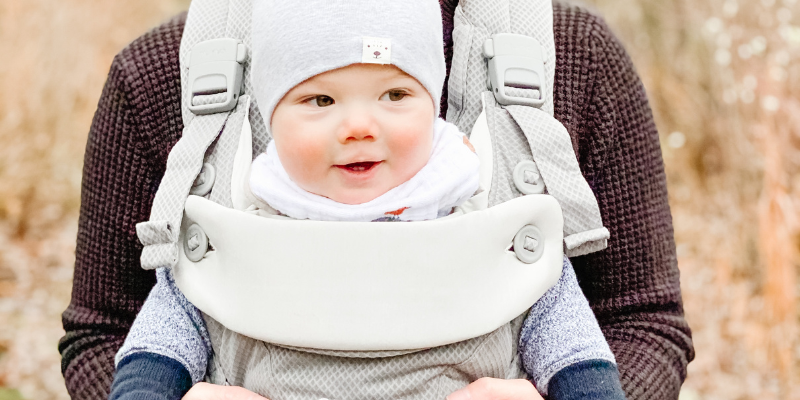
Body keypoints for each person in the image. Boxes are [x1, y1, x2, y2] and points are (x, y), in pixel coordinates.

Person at [58, 1, 695, 399]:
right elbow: (104, 333)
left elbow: (643, 320)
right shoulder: (166, 74)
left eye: (394, 97)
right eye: (319, 102)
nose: (359, 128)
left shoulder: (573, 58)